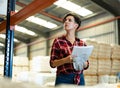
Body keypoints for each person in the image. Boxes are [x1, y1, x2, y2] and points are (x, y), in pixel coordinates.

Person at [50, 12, 89, 86]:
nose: (66, 22)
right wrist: (66, 60)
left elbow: (87, 65)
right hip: (63, 78)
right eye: (65, 20)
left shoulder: (82, 43)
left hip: (79, 78)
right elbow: (52, 63)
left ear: (75, 25)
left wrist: (84, 63)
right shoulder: (58, 41)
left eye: (69, 20)